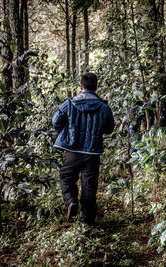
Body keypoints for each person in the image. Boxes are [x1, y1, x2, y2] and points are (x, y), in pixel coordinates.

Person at [52, 73, 115, 225]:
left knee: (66, 178)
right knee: (89, 185)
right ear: (96, 87)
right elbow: (109, 128)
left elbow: (56, 122)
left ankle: (71, 201)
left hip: (72, 151)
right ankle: (87, 221)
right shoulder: (103, 106)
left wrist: (68, 131)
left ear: (81, 87)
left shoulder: (69, 103)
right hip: (92, 153)